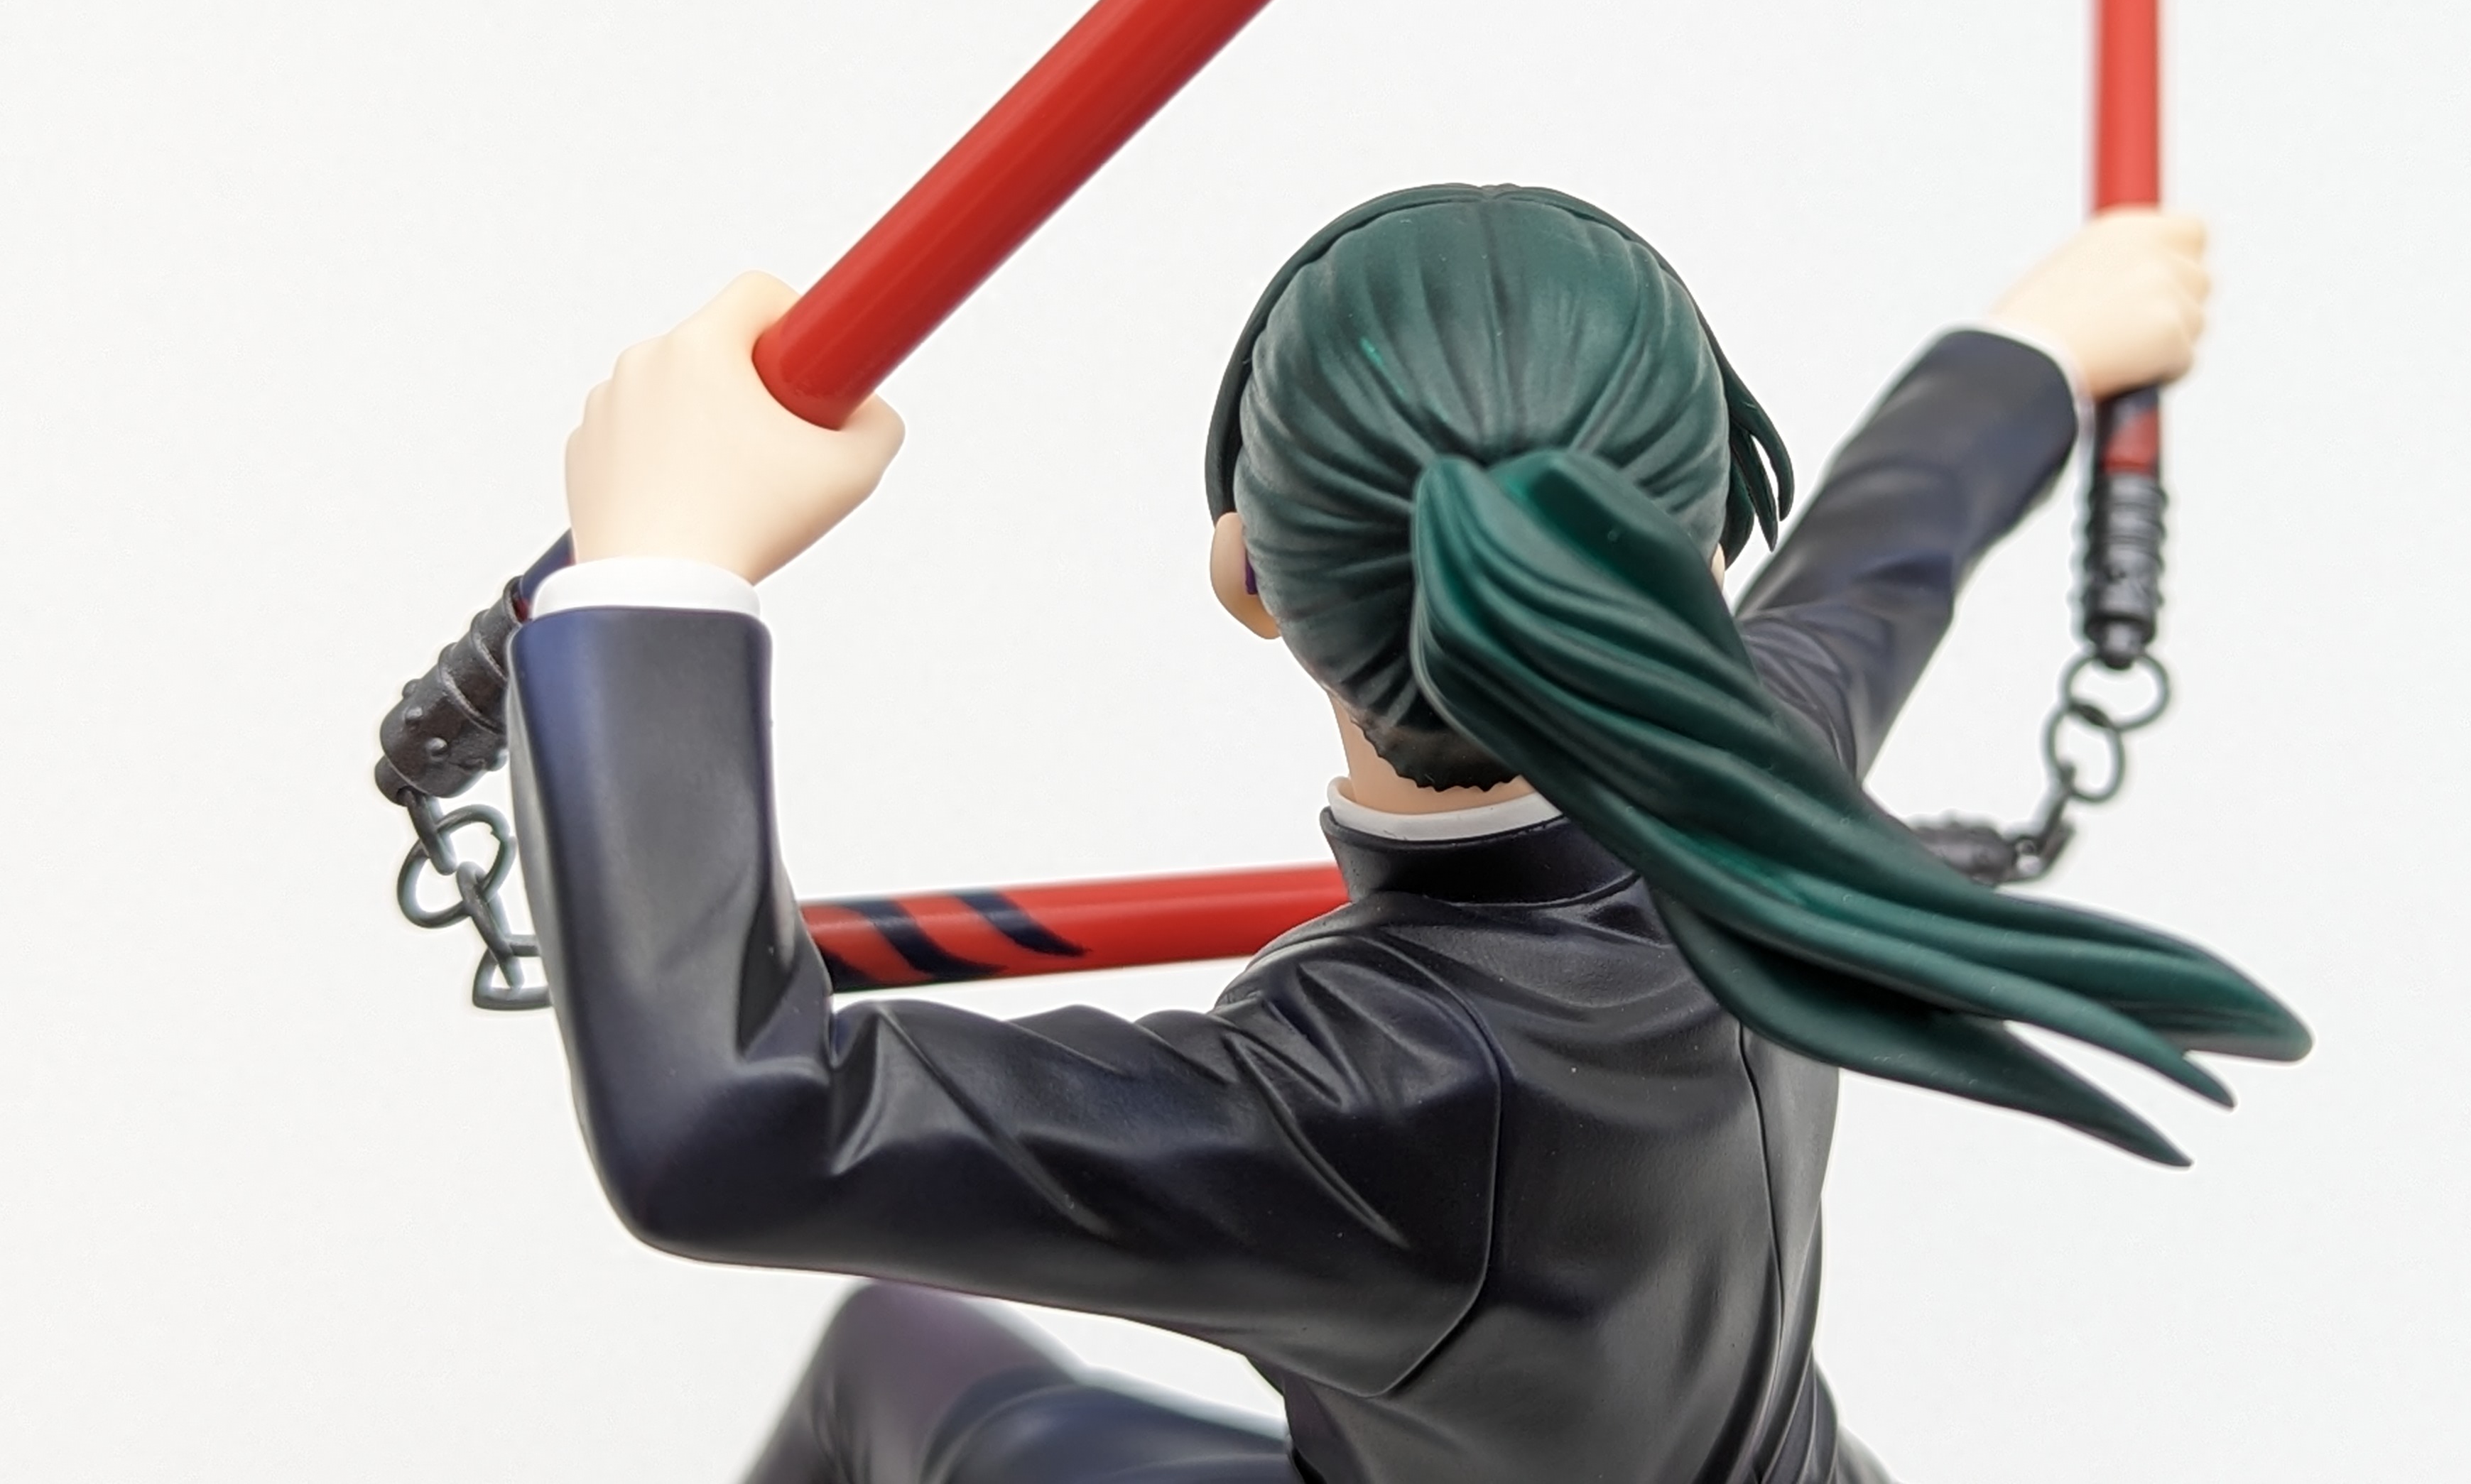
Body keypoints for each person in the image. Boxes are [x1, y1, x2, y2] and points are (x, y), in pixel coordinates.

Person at [509, 184, 2304, 1483]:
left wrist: (662, 575)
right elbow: (1883, 551)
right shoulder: (1775, 754)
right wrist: (2037, 345)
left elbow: (729, 1127)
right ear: (1700, 562)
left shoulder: (1357, 1097)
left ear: (1245, 579)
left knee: (893, 1358)